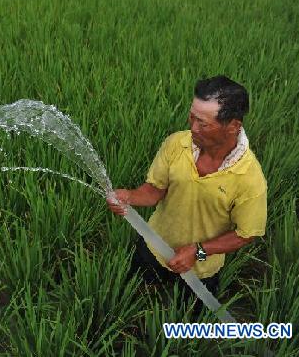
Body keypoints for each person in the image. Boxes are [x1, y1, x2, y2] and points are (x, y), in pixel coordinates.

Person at [107, 75, 267, 307]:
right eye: (192, 117)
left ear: (233, 126)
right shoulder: (176, 144)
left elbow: (245, 234)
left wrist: (198, 251)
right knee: (135, 297)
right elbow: (154, 191)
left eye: (203, 123)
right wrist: (129, 197)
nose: (192, 128)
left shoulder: (250, 179)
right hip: (153, 245)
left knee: (189, 317)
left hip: (201, 266)